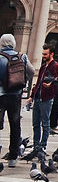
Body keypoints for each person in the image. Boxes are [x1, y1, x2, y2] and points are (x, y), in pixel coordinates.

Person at [0, 33, 34, 168]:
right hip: (15, 96)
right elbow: (31, 71)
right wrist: (22, 80)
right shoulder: (22, 56)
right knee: (15, 125)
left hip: (1, 95)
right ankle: (13, 158)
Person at [28, 43, 58, 156]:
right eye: (43, 54)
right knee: (35, 123)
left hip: (46, 98)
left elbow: (56, 81)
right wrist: (32, 95)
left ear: (51, 54)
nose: (43, 56)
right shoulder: (43, 66)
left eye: (45, 54)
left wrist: (50, 85)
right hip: (38, 97)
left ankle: (43, 146)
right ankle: (36, 146)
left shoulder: (56, 66)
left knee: (45, 124)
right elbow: (38, 82)